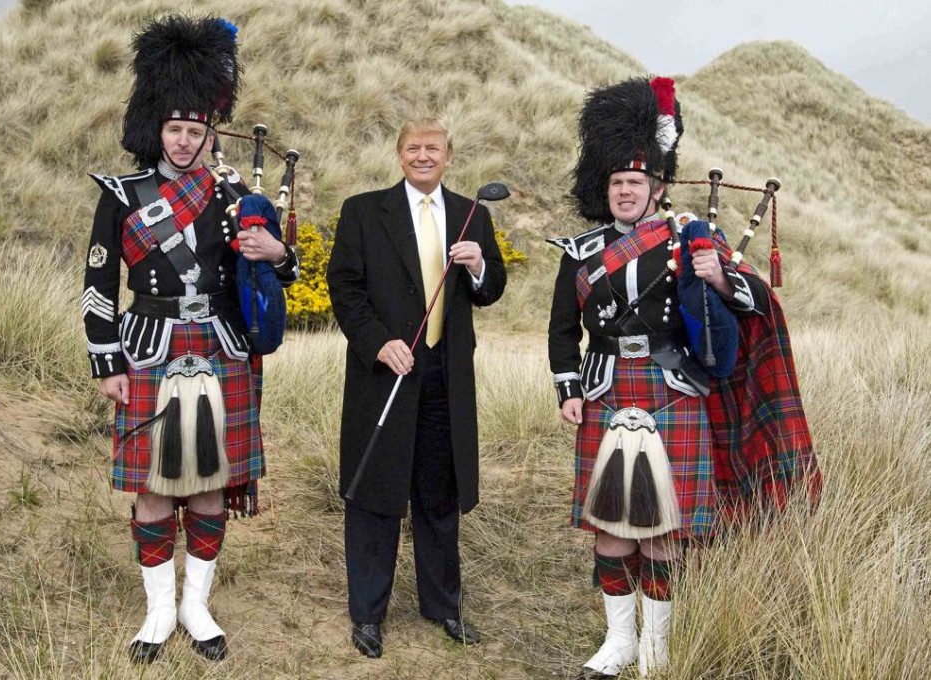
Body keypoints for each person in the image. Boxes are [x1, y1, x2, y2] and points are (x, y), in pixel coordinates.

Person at [547, 77, 820, 678]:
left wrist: (718, 277)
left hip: (673, 389)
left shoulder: (689, 237)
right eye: (616, 183)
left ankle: (657, 647)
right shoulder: (582, 251)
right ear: (606, 187)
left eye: (635, 183)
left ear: (657, 187)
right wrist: (569, 389)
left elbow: (753, 302)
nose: (624, 192)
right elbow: (562, 331)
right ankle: (619, 642)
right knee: (611, 525)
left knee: (663, 529)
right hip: (605, 389)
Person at [81, 15, 298, 664]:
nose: (183, 140)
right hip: (147, 344)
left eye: (194, 130)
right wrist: (106, 361)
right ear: (158, 129)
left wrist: (277, 251)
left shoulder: (234, 194)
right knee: (152, 486)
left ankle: (196, 606)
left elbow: (270, 272)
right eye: (174, 129)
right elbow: (96, 282)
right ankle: (157, 612)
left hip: (221, 347)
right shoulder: (122, 195)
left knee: (209, 483)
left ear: (210, 132)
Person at [326, 119, 507, 658]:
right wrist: (379, 342)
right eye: (413, 148)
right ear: (399, 155)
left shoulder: (474, 214)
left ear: (448, 156)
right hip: (384, 372)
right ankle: (367, 616)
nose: (422, 156)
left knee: (438, 492)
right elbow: (344, 286)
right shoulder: (362, 211)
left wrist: (478, 268)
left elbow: (491, 288)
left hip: (445, 377)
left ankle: (443, 607)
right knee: (376, 494)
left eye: (433, 148)